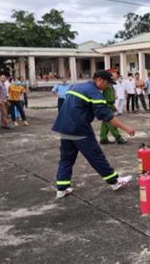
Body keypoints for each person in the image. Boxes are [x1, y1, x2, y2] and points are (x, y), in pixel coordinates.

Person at [52, 70, 135, 199]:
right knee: (96, 157)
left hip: (64, 128)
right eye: (107, 83)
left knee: (66, 159)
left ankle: (61, 189)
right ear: (100, 80)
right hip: (80, 129)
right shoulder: (94, 93)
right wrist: (126, 128)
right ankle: (115, 182)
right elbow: (106, 116)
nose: (107, 86)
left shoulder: (75, 86)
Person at [100, 70, 127, 145]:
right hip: (106, 105)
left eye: (116, 74)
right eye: (114, 74)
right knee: (111, 122)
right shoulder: (104, 83)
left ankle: (103, 138)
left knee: (105, 122)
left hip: (110, 104)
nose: (116, 76)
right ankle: (118, 138)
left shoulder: (111, 84)